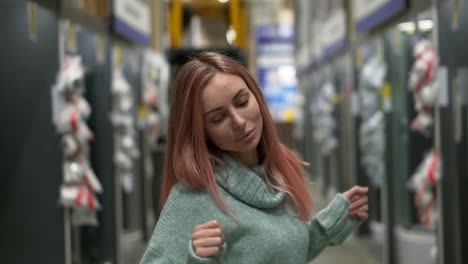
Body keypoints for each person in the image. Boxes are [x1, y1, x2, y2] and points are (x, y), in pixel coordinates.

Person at [140, 52, 369, 264]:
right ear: (202, 133)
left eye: (242, 102)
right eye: (218, 118)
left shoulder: (277, 172)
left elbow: (282, 253)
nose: (239, 122)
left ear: (256, 96)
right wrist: (196, 259)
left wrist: (325, 228)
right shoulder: (193, 197)